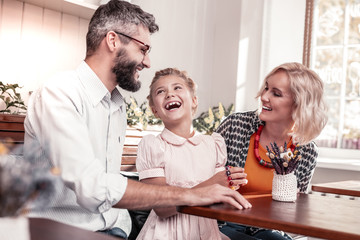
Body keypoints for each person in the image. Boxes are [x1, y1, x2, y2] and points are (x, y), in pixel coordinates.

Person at [23, 0, 251, 239]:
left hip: (115, 229)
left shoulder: (116, 105)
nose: (147, 62)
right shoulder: (58, 93)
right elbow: (91, 186)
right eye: (143, 49)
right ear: (112, 41)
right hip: (59, 231)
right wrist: (194, 193)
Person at [216, 62, 328, 240]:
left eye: (276, 93)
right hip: (220, 222)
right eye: (266, 88)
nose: (264, 96)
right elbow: (200, 180)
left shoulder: (306, 151)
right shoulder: (235, 126)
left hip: (265, 227)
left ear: (299, 104)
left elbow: (295, 209)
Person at [134, 68, 250, 240]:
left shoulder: (213, 145)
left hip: (206, 233)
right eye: (161, 91)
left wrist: (231, 188)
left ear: (194, 100)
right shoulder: (153, 146)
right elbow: (162, 208)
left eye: (177, 88)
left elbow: (218, 199)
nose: (169, 94)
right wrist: (212, 184)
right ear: (155, 111)